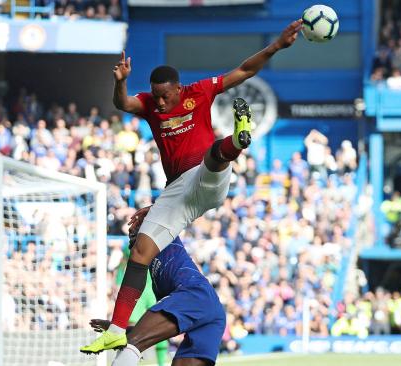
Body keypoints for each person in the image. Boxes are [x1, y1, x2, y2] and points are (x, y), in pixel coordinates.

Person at [80, 19, 302, 354]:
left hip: (204, 177)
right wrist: (121, 84)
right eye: (156, 97)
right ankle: (114, 329)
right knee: (140, 252)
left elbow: (243, 71)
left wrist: (277, 46)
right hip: (177, 192)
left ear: (178, 89)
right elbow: (123, 105)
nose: (161, 103)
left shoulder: (199, 92)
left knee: (213, 156)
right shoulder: (150, 106)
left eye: (166, 96)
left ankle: (239, 140)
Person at [90, 207, 225, 366]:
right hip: (211, 310)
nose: (133, 236)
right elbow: (150, 332)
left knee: (132, 345)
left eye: (135, 232)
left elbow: (172, 205)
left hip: (196, 293)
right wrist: (116, 328)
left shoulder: (166, 236)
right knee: (136, 342)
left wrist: (151, 210)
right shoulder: (157, 284)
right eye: (131, 237)